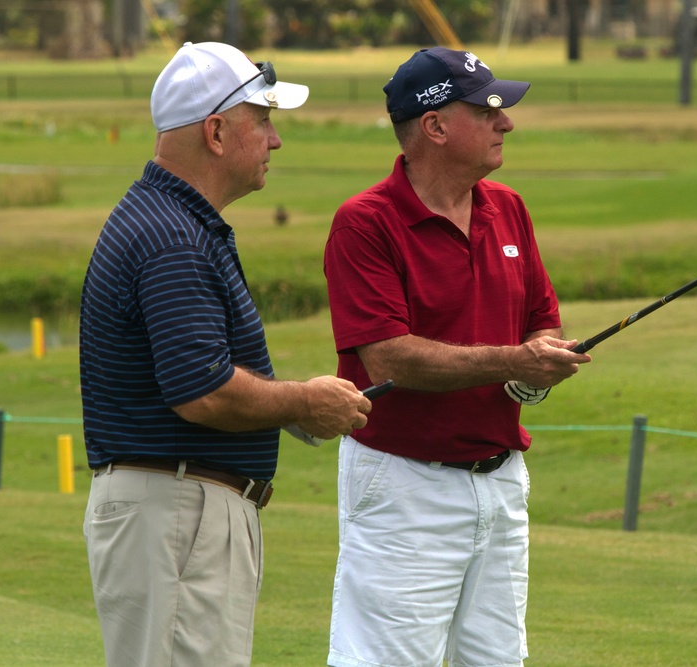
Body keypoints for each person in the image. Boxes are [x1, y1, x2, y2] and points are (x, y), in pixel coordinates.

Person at [79, 41, 371, 667]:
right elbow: (201, 391)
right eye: (262, 120)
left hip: (175, 510)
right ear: (215, 132)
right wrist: (303, 401)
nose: (275, 139)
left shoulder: (173, 220)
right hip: (177, 511)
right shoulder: (172, 237)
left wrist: (293, 409)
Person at [323, 47, 592, 667]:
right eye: (487, 108)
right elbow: (389, 359)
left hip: (500, 484)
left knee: (498, 660)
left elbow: (540, 322)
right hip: (404, 482)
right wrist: (514, 363)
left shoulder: (509, 207)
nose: (507, 121)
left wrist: (535, 374)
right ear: (435, 126)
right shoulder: (365, 223)